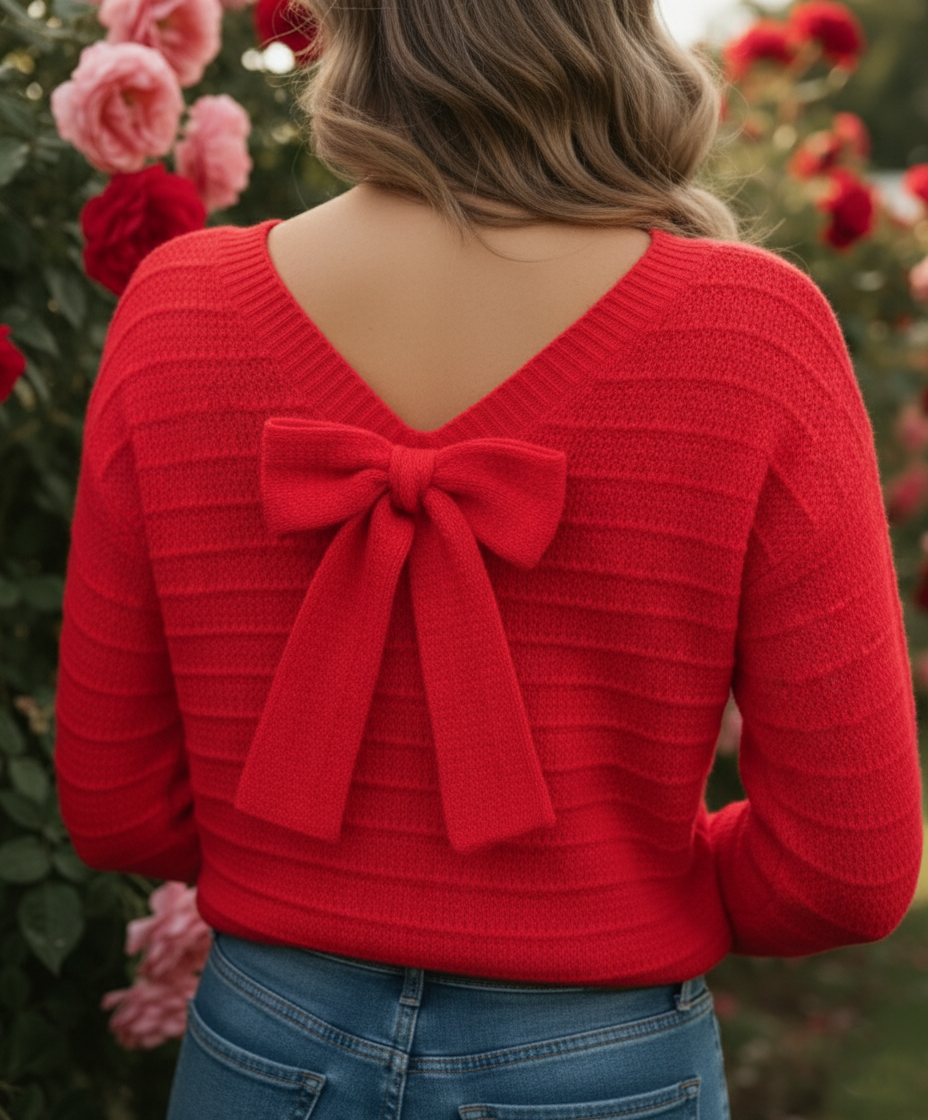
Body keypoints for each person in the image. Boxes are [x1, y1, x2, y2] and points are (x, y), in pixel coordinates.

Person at [55, 1, 924, 1117]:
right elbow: (847, 868)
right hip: (601, 1055)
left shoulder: (178, 310)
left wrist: (307, 868)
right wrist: (627, 886)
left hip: (263, 1036)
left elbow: (118, 804)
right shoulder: (751, 333)